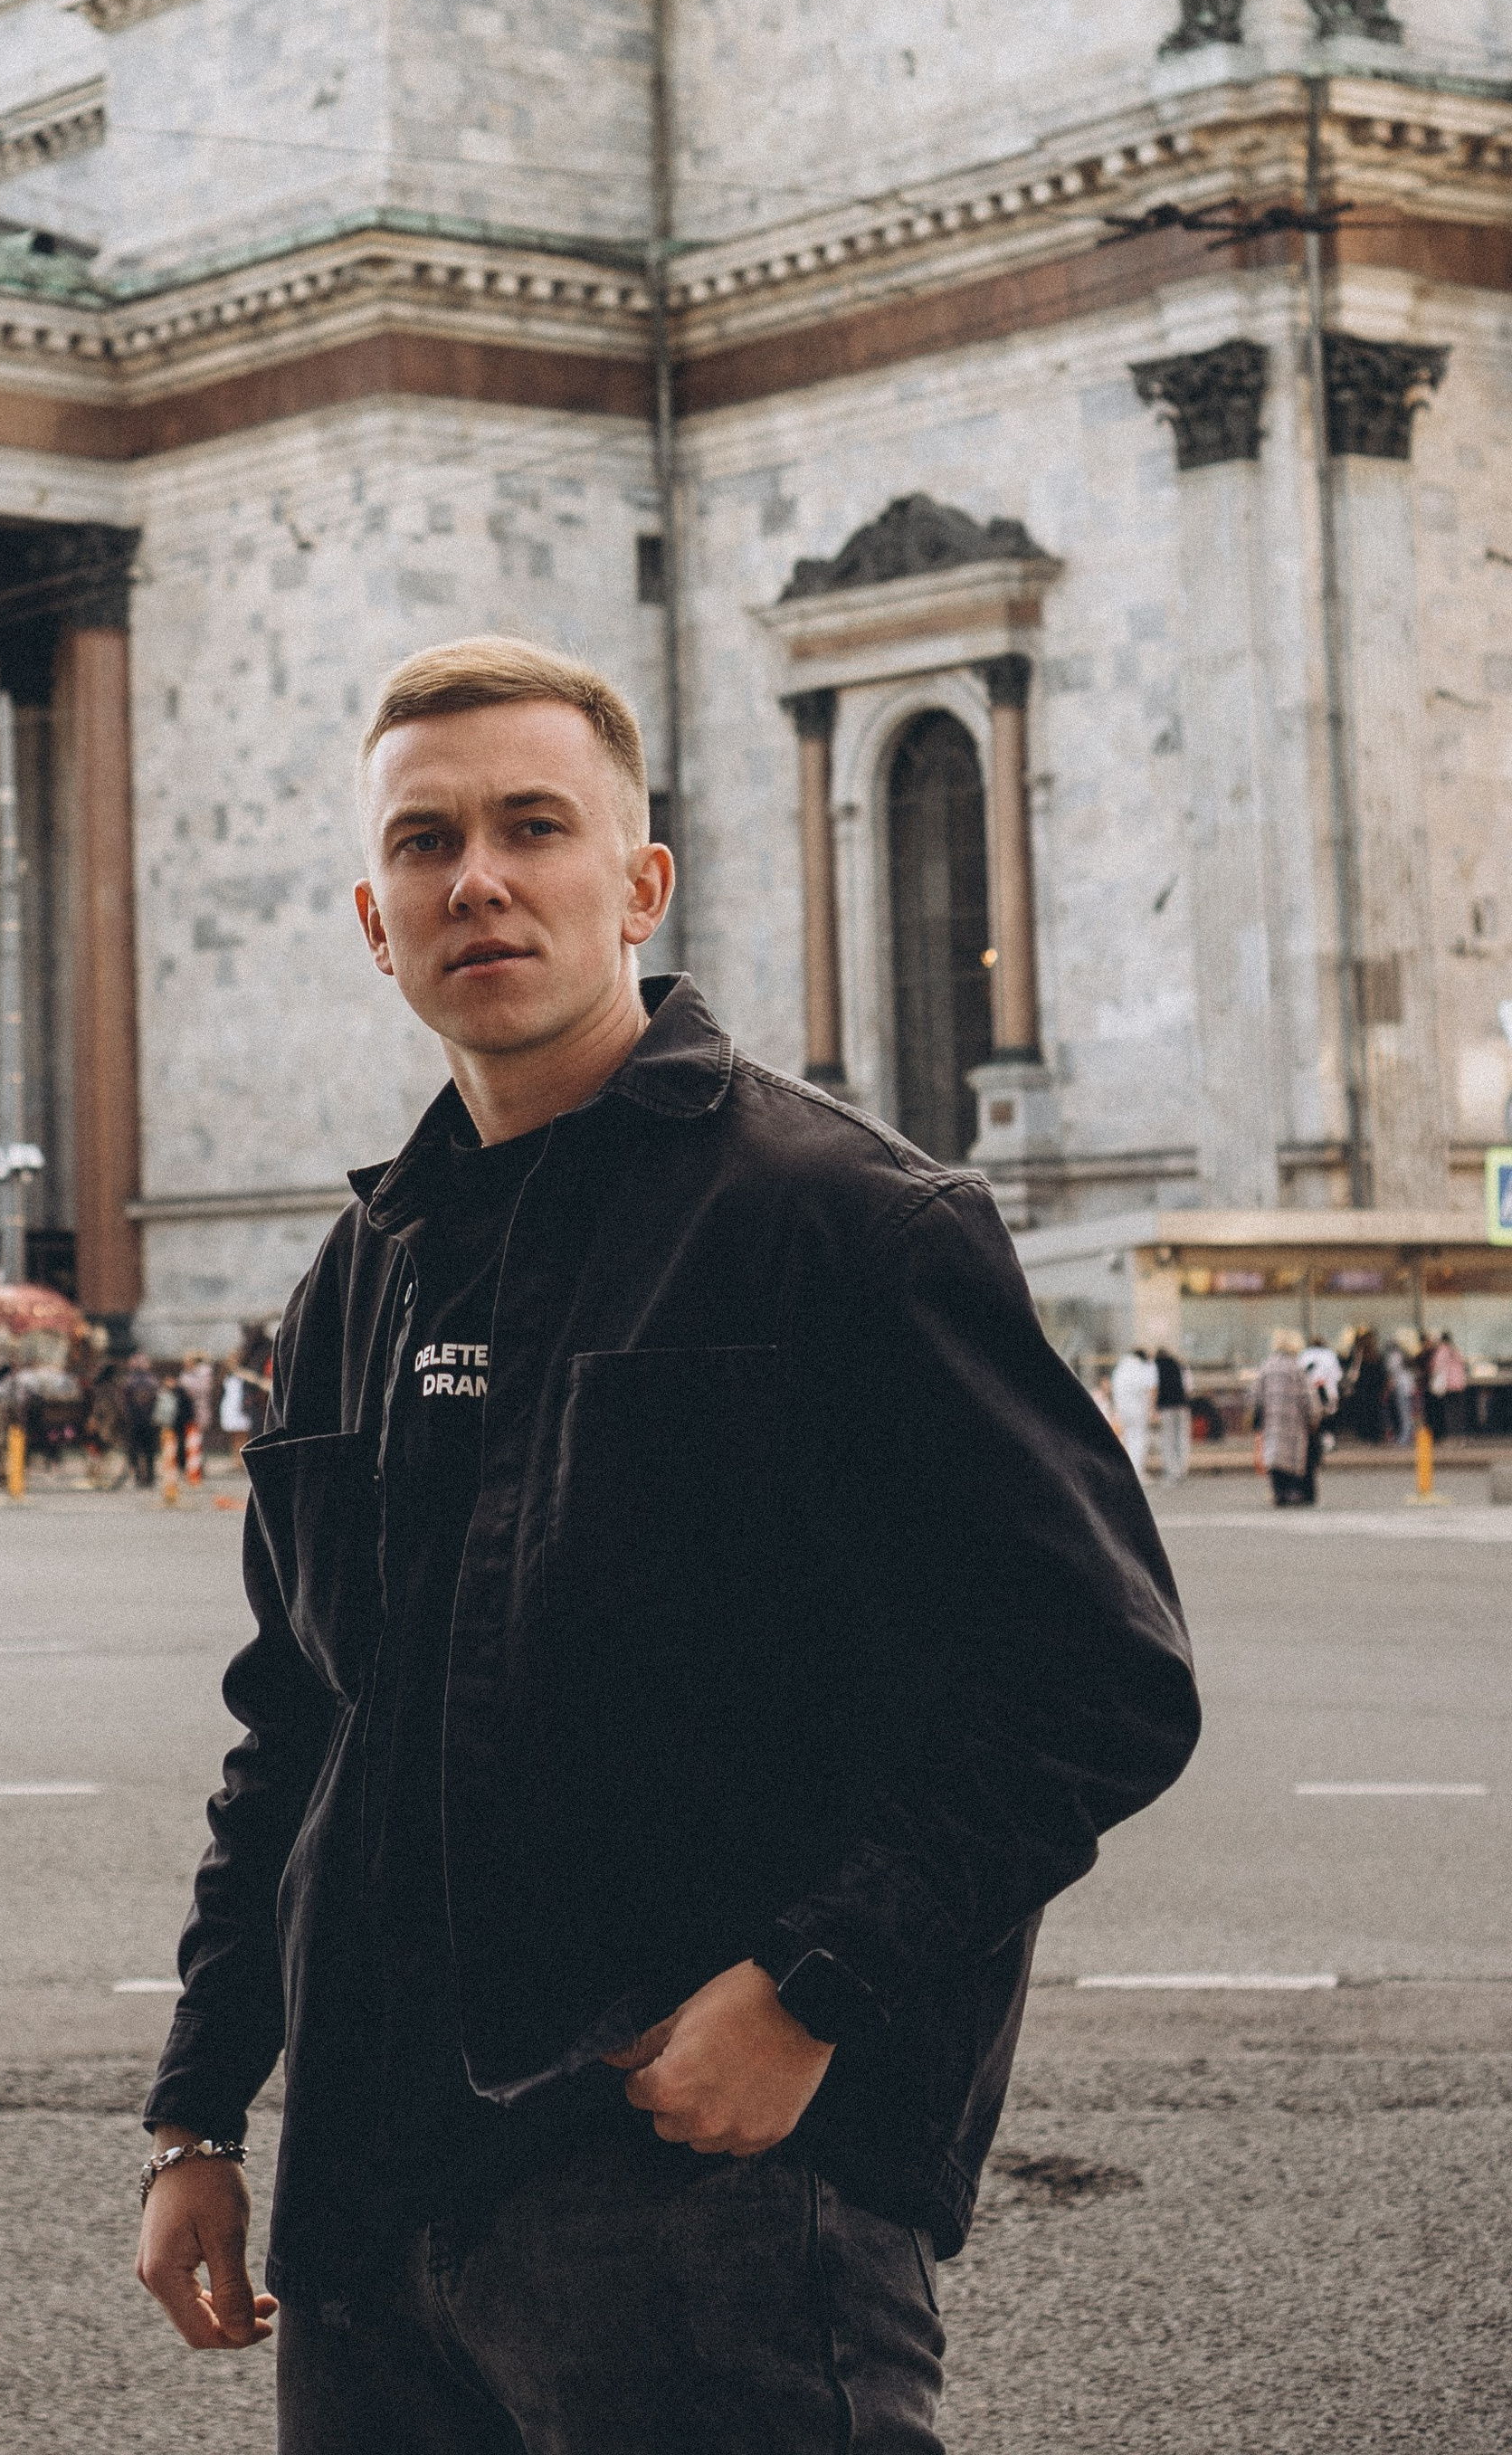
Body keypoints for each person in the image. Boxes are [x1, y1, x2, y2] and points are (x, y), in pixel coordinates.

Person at [135, 636, 1199, 2450]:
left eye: (530, 826)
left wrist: (808, 1993)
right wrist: (201, 2112)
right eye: (423, 842)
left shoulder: (844, 1226)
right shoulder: (355, 1281)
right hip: (375, 2206)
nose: (475, 875)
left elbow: (1096, 1680)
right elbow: (297, 1722)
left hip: (703, 2191)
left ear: (635, 884)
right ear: (370, 922)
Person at [1258, 1328, 1324, 1508]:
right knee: (1294, 1457)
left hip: (1273, 1420)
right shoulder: (1296, 1368)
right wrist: (1314, 1416)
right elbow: (1309, 1398)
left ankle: (1279, 1492)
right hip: (1294, 1421)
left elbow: (1257, 1395)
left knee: (1275, 1456)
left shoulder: (1267, 1366)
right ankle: (1295, 1492)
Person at [1110, 1343, 1158, 1478]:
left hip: (1122, 1409)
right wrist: (1152, 1409)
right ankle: (1137, 1473)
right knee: (1138, 1440)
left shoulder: (1120, 1368)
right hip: (1137, 1409)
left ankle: (1128, 1472)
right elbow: (1149, 1388)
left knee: (1127, 1440)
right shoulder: (1140, 1367)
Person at [119, 1351, 161, 1489]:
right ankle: (149, 1478)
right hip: (150, 1420)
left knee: (136, 1450)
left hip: (135, 1420)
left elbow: (124, 1402)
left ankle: (139, 1477)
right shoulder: (153, 1381)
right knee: (149, 1452)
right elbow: (157, 1401)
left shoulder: (129, 1381)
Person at [1153, 1344, 1193, 1486]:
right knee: (1181, 1439)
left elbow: (1154, 1388)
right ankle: (1182, 1470)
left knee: (1168, 1441)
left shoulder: (1155, 1366)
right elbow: (1188, 1387)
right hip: (1182, 1406)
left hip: (1166, 1408)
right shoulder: (1180, 1365)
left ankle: (1172, 1473)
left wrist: (1153, 1409)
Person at [1428, 1329, 1469, 1441]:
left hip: (1449, 1385)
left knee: (1449, 1412)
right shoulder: (1456, 1350)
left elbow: (1434, 1366)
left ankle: (1452, 1435)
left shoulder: (1442, 1350)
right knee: (1459, 1412)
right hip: (1459, 1384)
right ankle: (1460, 1435)